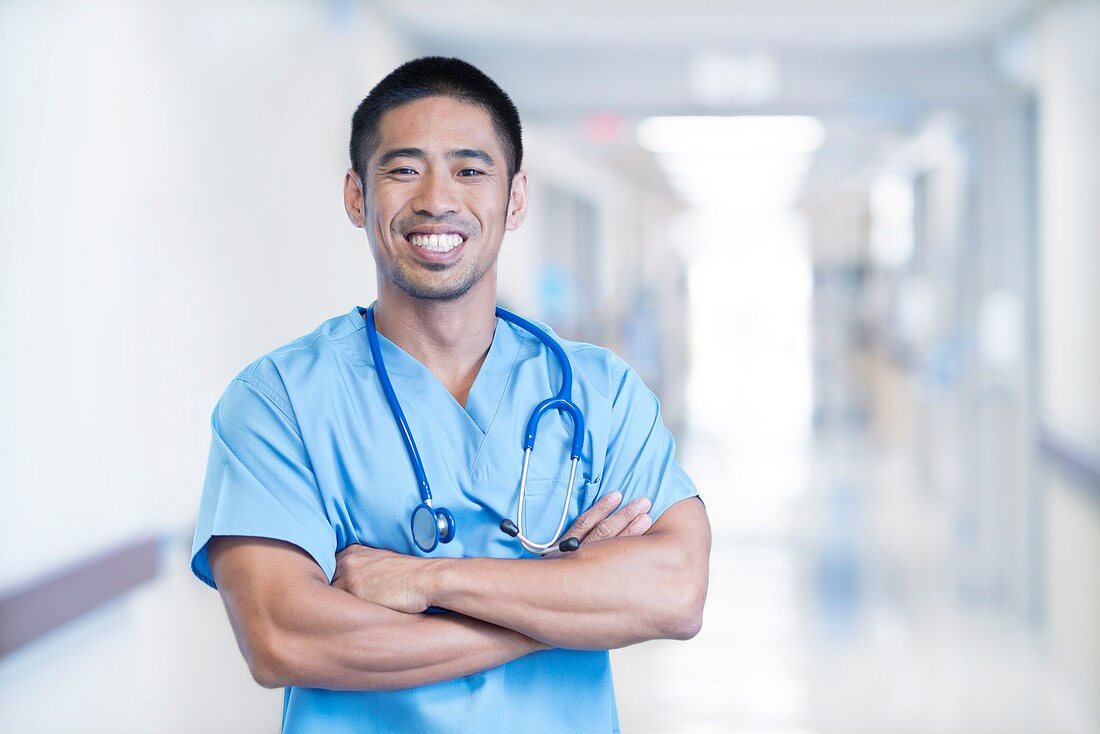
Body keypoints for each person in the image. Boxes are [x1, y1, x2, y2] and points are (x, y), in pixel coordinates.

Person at [190, 56, 710, 734]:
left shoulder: (598, 391)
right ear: (357, 196)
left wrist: (427, 580)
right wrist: (562, 610)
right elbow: (283, 637)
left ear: (515, 198)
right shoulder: (277, 401)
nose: (437, 198)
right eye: (404, 169)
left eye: (470, 170)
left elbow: (674, 591)